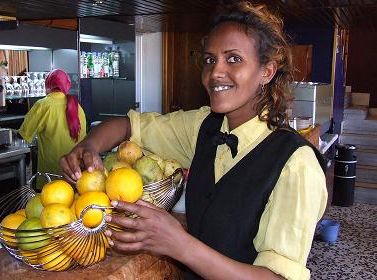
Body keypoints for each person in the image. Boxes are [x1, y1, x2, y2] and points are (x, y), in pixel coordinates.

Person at [59, 2, 327, 279]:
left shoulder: (296, 164)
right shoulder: (204, 127)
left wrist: (181, 245)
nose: (215, 73)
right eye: (210, 60)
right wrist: (88, 146)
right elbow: (127, 126)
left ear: (267, 72)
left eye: (233, 59)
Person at [19, 69, 86, 189]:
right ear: (67, 86)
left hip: (50, 178)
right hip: (75, 177)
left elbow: (23, 134)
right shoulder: (77, 107)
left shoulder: (43, 105)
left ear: (47, 85)